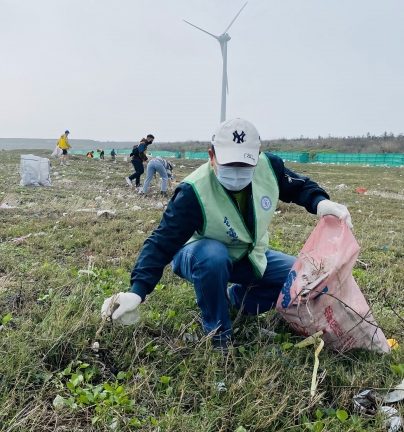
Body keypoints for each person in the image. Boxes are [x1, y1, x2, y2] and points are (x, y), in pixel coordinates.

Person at [102, 118, 353, 351]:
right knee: (213, 255)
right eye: (229, 163)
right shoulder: (193, 191)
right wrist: (138, 290)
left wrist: (321, 204)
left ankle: (235, 299)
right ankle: (219, 335)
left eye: (245, 164)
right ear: (212, 157)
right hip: (198, 255)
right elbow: (162, 241)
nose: (237, 170)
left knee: (301, 277)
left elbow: (298, 186)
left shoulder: (269, 167)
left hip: (247, 255)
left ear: (257, 156)